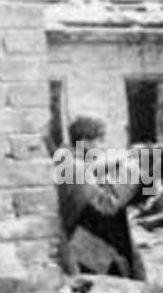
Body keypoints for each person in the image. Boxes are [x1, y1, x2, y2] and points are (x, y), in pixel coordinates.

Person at [53, 115, 149, 279]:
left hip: (102, 245)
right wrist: (132, 171)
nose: (104, 147)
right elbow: (106, 205)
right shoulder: (72, 169)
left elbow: (121, 195)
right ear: (84, 142)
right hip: (91, 251)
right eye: (100, 141)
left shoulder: (80, 164)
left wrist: (146, 176)